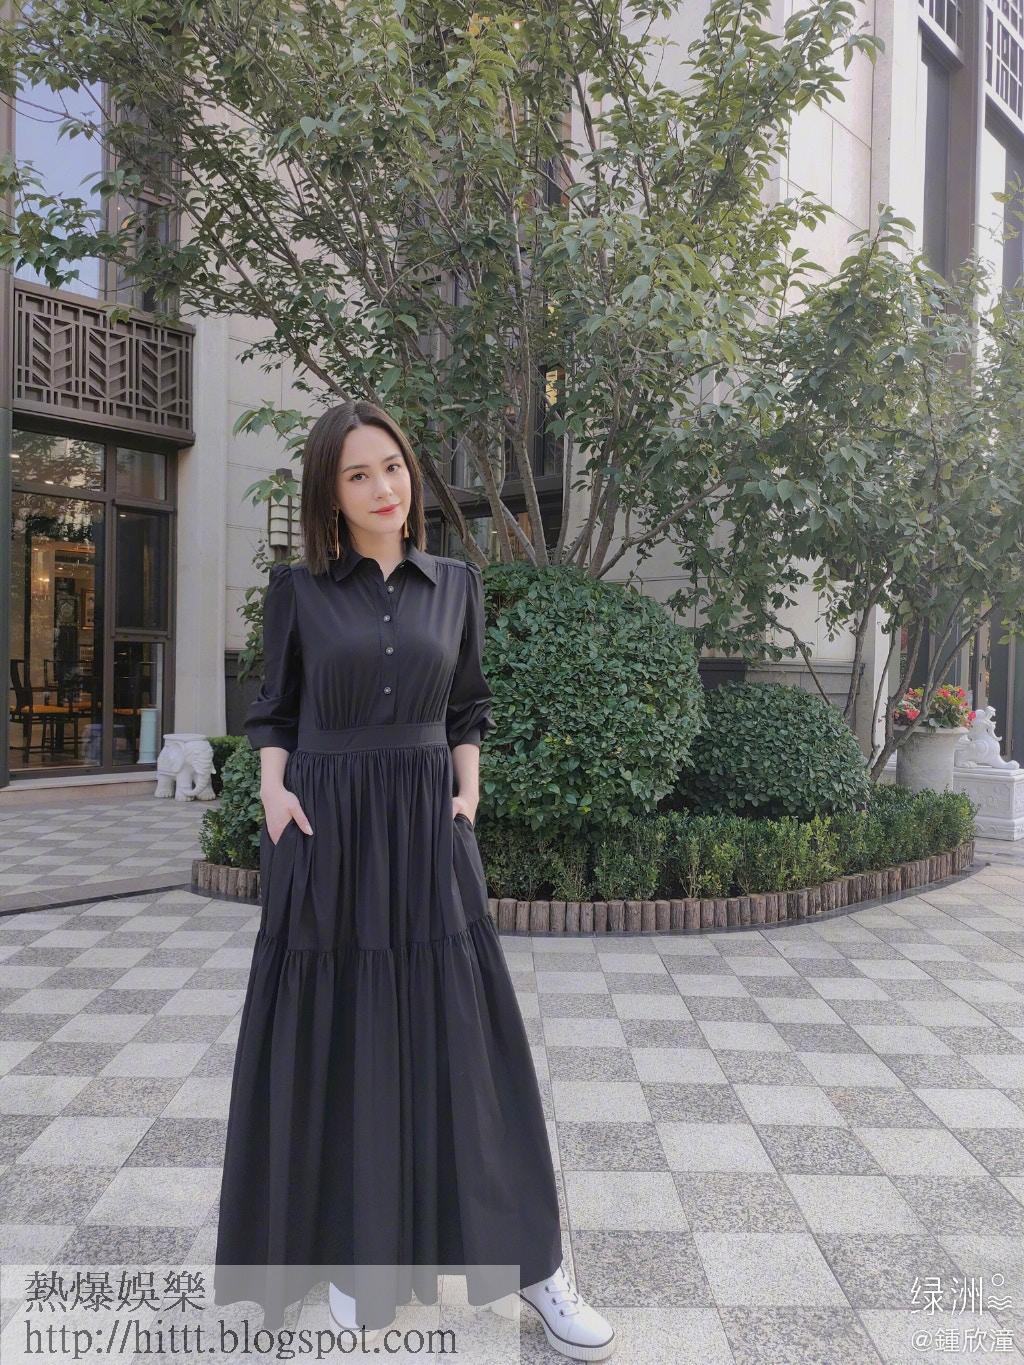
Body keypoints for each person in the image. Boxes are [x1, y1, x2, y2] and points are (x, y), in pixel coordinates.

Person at [213, 400, 616, 1361]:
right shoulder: (297, 590)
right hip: (326, 828)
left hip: (429, 828)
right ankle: (356, 1258)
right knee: (339, 1037)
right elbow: (273, 708)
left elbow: (468, 704)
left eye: (391, 465)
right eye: (357, 474)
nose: (382, 486)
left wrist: (467, 793)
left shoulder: (456, 585)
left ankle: (537, 1267)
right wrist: (273, 793)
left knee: (471, 1045)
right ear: (330, 492)